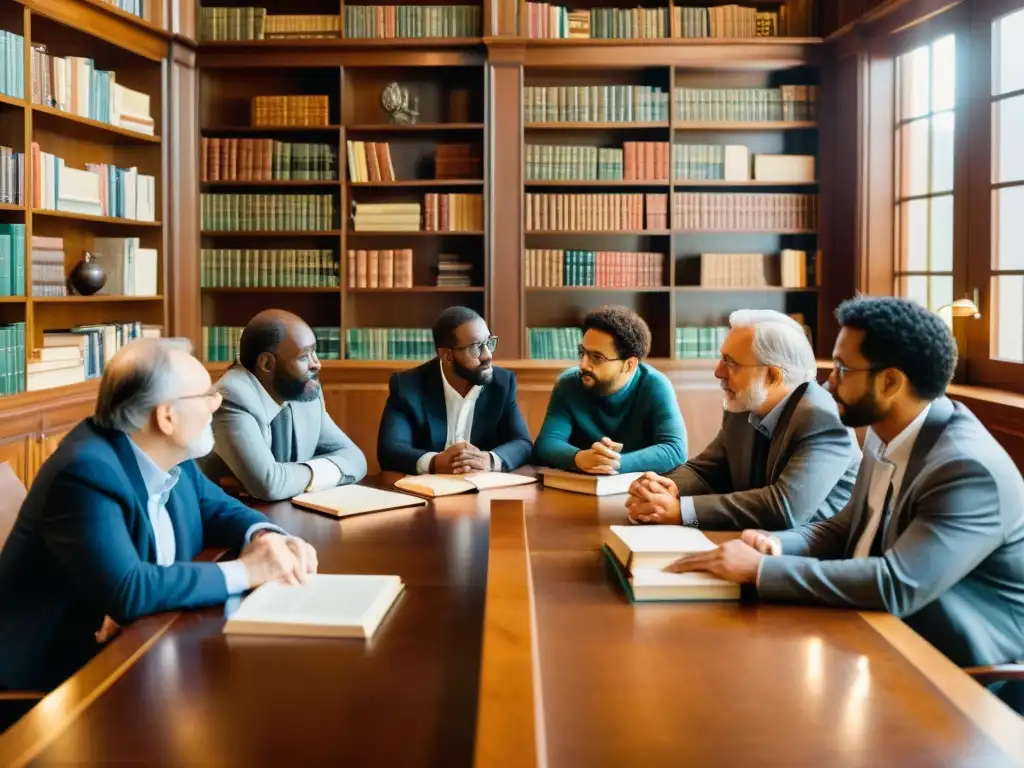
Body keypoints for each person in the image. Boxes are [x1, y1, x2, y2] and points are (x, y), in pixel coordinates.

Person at [667, 297, 1024, 708]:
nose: (828, 383)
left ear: (890, 382)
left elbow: (896, 584)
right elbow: (845, 527)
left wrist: (764, 570)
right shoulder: (884, 430)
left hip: (961, 681)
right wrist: (776, 544)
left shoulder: (966, 468)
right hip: (877, 638)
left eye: (842, 369)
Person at [0, 338, 318, 692]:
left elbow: (218, 508)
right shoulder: (85, 472)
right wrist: (248, 570)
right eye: (207, 396)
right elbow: (129, 589)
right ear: (166, 417)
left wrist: (266, 538)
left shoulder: (169, 455)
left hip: (136, 649)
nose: (217, 403)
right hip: (56, 684)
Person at [625, 310, 860, 529]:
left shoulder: (824, 419)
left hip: (813, 556)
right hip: (752, 542)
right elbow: (705, 471)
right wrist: (662, 488)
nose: (718, 371)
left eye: (731, 363)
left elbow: (784, 508)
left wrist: (682, 511)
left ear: (772, 375)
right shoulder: (744, 405)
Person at [200, 309, 366, 501]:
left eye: (314, 352)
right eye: (304, 356)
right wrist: (328, 469)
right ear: (267, 363)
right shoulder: (231, 397)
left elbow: (356, 459)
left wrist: (307, 474)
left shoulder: (303, 390)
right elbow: (269, 484)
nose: (317, 364)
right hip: (235, 518)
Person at [377, 307, 532, 475]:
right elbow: (389, 451)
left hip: (483, 489)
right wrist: (434, 462)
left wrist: (489, 460)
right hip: (428, 492)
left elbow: (522, 442)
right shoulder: (408, 386)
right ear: (447, 356)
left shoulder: (502, 383)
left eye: (489, 343)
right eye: (475, 347)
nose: (487, 355)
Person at [533, 305, 687, 475]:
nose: (583, 364)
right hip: (581, 486)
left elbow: (675, 450)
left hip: (636, 490)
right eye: (582, 353)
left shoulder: (655, 386)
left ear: (629, 365)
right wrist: (578, 458)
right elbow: (546, 443)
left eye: (597, 357)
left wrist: (613, 462)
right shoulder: (569, 384)